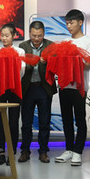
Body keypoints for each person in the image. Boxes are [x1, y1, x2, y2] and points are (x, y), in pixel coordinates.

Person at [55, 9, 90, 166]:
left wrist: (75, 61)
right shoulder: (65, 41)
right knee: (66, 120)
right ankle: (69, 150)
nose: (69, 26)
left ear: (80, 22)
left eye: (71, 23)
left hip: (79, 86)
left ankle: (78, 151)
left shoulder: (88, 41)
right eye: (67, 23)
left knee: (79, 120)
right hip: (64, 85)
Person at [18, 20, 55, 163]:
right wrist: (31, 62)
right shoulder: (23, 46)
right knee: (26, 123)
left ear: (44, 34)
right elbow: (20, 66)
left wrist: (48, 62)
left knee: (44, 122)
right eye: (34, 35)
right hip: (27, 88)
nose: (36, 38)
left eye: (39, 35)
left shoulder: (51, 46)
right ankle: (25, 151)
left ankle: (43, 151)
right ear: (29, 34)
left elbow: (56, 66)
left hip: (44, 88)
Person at [0, 23, 24, 166]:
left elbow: (22, 71)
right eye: (2, 35)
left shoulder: (20, 51)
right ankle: (1, 153)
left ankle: (12, 153)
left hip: (15, 88)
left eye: (7, 35)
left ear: (14, 36)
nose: (4, 38)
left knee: (13, 121)